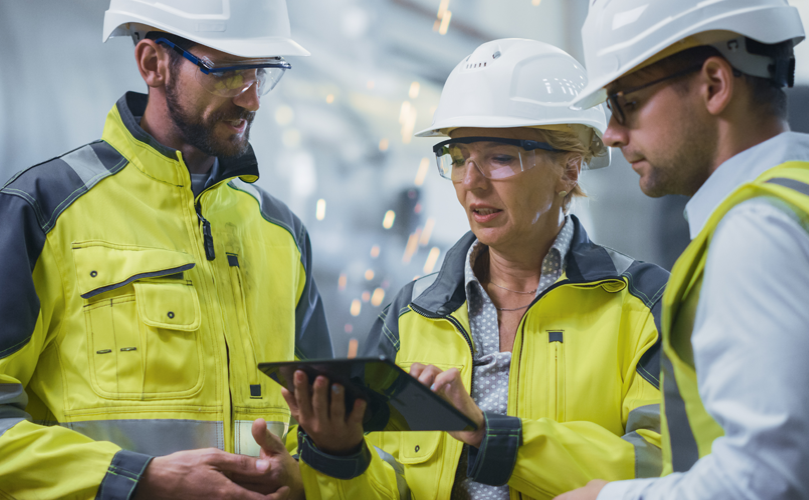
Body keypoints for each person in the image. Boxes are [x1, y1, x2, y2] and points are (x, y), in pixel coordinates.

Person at [282, 39, 670, 500]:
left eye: (500, 158)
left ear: (570, 169)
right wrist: (341, 454)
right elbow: (387, 486)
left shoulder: (642, 306)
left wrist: (492, 436)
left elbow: (661, 470)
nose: (471, 183)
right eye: (460, 157)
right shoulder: (413, 315)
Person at [0, 0, 332, 498]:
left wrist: (309, 479)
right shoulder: (44, 210)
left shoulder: (281, 231)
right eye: (227, 73)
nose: (252, 99)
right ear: (153, 63)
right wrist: (140, 479)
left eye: (261, 73)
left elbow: (322, 423)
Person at [557, 1, 809, 499]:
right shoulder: (792, 199)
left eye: (625, 102)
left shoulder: (754, 234)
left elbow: (768, 479)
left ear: (714, 84)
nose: (611, 133)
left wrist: (606, 498)